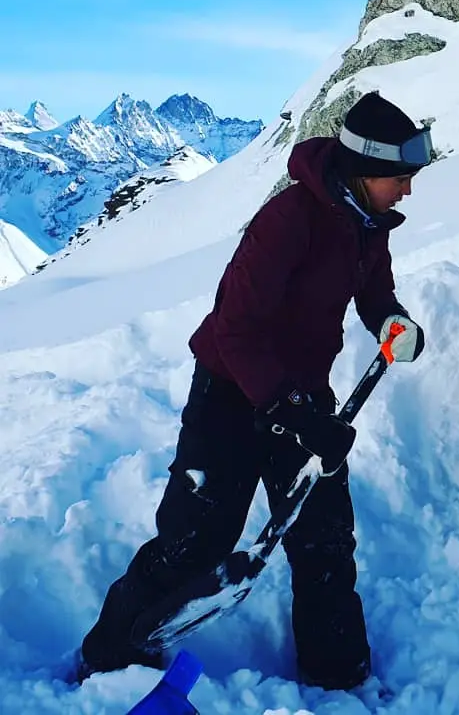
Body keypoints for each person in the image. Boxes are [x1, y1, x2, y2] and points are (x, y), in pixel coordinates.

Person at [78, 92, 432, 691]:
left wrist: (391, 321)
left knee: (323, 537)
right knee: (197, 540)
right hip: (231, 393)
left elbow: (374, 294)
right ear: (363, 170)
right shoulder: (289, 220)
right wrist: (294, 413)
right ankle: (110, 660)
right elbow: (233, 329)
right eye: (399, 179)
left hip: (302, 393)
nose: (407, 191)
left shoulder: (371, 228)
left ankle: (337, 673)